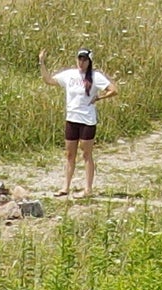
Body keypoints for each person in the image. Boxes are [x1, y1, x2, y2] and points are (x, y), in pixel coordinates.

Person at [49, 48, 115, 198]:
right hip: (72, 119)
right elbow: (49, 80)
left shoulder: (95, 76)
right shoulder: (69, 74)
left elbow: (113, 90)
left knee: (86, 154)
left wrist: (98, 98)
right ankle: (65, 187)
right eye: (79, 58)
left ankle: (88, 189)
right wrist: (41, 63)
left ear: (89, 61)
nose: (81, 62)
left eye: (84, 59)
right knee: (69, 154)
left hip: (87, 120)